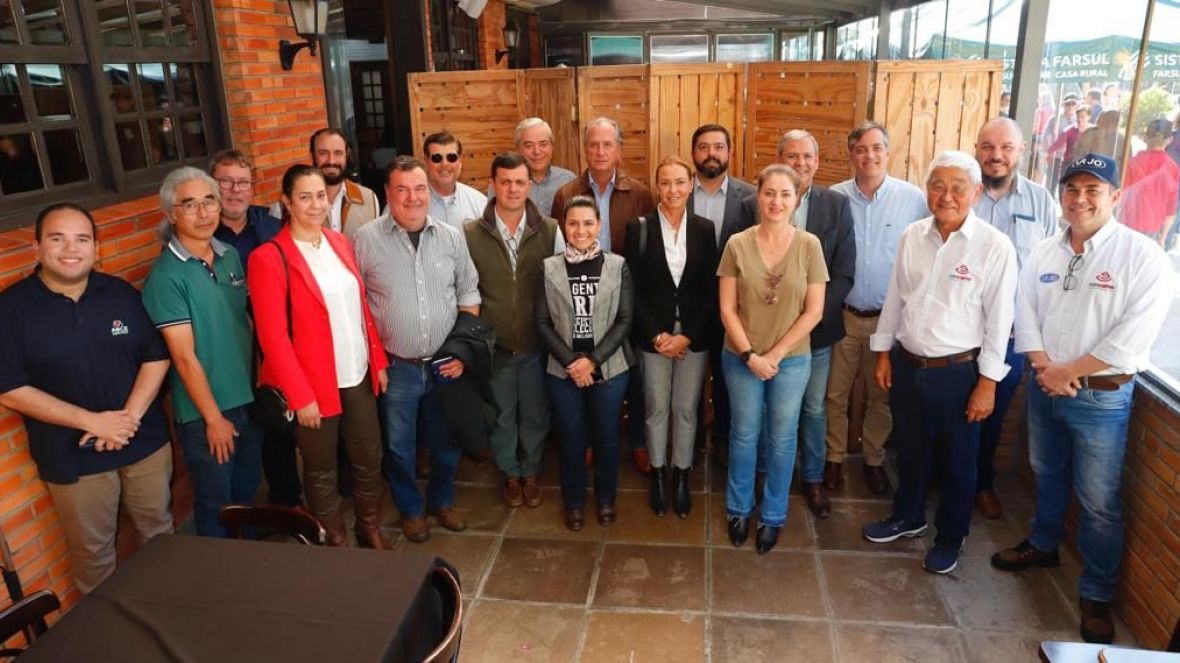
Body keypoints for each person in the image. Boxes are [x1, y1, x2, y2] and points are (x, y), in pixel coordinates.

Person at [991, 153, 1170, 644]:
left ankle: (1095, 593)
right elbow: (1025, 310)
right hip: (1046, 388)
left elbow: (1132, 337)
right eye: (1072, 189)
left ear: (1115, 196)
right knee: (1046, 475)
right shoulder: (1045, 252)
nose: (1081, 199)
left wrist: (1067, 371)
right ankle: (1043, 544)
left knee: (1098, 501)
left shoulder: (1143, 256)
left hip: (1100, 399)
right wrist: (1044, 367)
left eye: (1093, 190)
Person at [0, 203, 173, 593]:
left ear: (96, 247)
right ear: (36, 247)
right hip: (72, 456)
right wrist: (93, 422)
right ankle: (106, 628)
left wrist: (127, 420)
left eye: (81, 239)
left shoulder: (119, 293)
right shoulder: (11, 309)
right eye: (57, 238)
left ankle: (169, 609)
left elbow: (156, 357)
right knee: (94, 555)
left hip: (143, 441)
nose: (70, 249)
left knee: (160, 534)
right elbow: (10, 390)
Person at [861, 150, 1017, 575]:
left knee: (958, 461)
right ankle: (908, 517)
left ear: (976, 193)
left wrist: (987, 383)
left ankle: (951, 535)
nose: (946, 196)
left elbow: (999, 321)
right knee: (910, 450)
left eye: (958, 188)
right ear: (926, 190)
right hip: (908, 364)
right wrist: (883, 353)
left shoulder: (994, 246)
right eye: (937, 186)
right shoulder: (912, 235)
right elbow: (895, 298)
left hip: (959, 373)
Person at [248, 165, 391, 549]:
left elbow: (361, 308)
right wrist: (300, 395)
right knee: (321, 466)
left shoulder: (340, 243)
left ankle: (369, 526)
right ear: (286, 202)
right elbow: (272, 337)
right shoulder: (268, 257)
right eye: (305, 197)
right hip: (312, 383)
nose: (316, 204)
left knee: (369, 456)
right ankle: (335, 538)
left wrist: (377, 361)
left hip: (356, 372)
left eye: (320, 196)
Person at [353, 157, 480, 543]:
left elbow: (469, 294)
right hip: (397, 366)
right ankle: (410, 509)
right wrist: (376, 361)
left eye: (419, 188)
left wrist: (461, 351)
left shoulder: (451, 237)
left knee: (446, 442)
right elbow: (357, 304)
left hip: (445, 363)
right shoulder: (365, 239)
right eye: (402, 189)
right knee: (399, 446)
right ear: (387, 193)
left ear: (429, 192)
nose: (412, 197)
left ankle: (442, 501)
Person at [142, 167, 263, 538]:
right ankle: (220, 570)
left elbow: (243, 321)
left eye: (209, 201)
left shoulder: (229, 256)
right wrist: (213, 418)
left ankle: (249, 558)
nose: (203, 212)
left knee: (246, 490)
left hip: (247, 398)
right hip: (207, 412)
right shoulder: (166, 276)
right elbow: (183, 357)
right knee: (216, 503)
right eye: (189, 204)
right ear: (171, 214)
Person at [718, 163, 828, 555]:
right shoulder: (737, 244)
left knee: (783, 440)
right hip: (741, 357)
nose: (776, 201)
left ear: (796, 199)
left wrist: (775, 355)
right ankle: (738, 509)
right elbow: (727, 309)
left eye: (785, 194)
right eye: (769, 193)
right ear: (758, 197)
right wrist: (750, 354)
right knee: (744, 435)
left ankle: (773, 515)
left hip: (791, 361)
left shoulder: (810, 245)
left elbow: (814, 311)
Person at [827, 122, 929, 495]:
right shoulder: (835, 197)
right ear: (850, 155)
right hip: (844, 316)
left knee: (881, 397)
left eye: (876, 148)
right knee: (834, 395)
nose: (869, 155)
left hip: (889, 321)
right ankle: (833, 458)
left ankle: (873, 460)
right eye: (861, 149)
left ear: (888, 152)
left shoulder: (913, 199)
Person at [551, 117, 655, 472]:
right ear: (585, 149)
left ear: (619, 150)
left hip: (625, 297)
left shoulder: (640, 194)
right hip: (578, 299)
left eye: (607, 144)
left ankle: (637, 440)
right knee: (583, 369)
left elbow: (648, 248)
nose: (599, 151)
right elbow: (558, 250)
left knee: (633, 372)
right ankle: (587, 442)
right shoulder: (566, 194)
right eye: (593, 144)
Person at [972, 117, 1060, 519]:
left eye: (1006, 148)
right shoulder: (962, 192)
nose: (996, 155)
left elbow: (1051, 269)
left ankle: (981, 483)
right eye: (988, 147)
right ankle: (944, 479)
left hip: (1009, 336)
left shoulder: (1040, 202)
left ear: (1021, 150)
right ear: (977, 149)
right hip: (959, 331)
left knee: (992, 412)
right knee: (948, 408)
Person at [465, 152, 561, 508]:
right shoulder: (471, 233)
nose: (512, 189)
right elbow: (467, 290)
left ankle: (530, 471)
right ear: (492, 184)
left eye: (520, 182)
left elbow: (559, 286)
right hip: (496, 346)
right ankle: (509, 472)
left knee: (535, 414)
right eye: (504, 182)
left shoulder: (549, 230)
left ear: (529, 185)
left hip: (537, 344)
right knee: (502, 415)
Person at [624, 156, 717, 518]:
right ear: (656, 186)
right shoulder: (639, 228)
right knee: (656, 407)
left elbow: (711, 291)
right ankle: (659, 474)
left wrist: (687, 336)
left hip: (693, 336)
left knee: (686, 409)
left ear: (691, 184)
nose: (673, 190)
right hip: (654, 338)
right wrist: (657, 335)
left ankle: (681, 474)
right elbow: (631, 289)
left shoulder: (705, 229)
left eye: (680, 182)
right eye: (665, 182)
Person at [208, 149, 301, 508]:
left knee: (277, 422)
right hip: (226, 345)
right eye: (226, 182)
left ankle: (286, 504)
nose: (235, 190)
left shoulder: (271, 226)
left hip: (271, 341)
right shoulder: (201, 231)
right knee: (238, 430)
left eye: (243, 183)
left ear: (253, 187)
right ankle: (237, 513)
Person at [536, 195, 634, 532]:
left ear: (599, 225)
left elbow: (624, 320)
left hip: (609, 367)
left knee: (607, 438)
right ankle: (574, 502)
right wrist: (571, 362)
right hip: (561, 370)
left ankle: (606, 498)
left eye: (588, 223)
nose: (581, 230)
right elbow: (542, 322)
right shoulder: (548, 267)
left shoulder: (618, 265)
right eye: (573, 223)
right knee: (571, 439)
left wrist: (592, 361)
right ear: (564, 226)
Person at [775, 130, 855, 519]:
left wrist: (811, 314)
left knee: (813, 407)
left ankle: (812, 478)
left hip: (817, 332)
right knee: (774, 410)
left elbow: (844, 273)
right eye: (792, 156)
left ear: (817, 162)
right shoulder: (759, 202)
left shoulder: (836, 206)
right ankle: (772, 476)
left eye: (807, 156)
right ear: (779, 161)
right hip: (770, 334)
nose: (800, 163)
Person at [687, 123, 756, 459]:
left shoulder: (751, 197)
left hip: (737, 309)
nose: (711, 153)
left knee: (730, 382)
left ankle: (726, 444)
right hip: (688, 307)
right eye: (703, 147)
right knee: (689, 383)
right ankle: (690, 445)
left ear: (730, 152)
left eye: (718, 147)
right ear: (693, 154)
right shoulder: (678, 191)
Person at [270, 129, 380, 239]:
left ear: (346, 156)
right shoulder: (283, 207)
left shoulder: (369, 199)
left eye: (338, 153)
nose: (331, 161)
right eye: (323, 153)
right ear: (312, 156)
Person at [1120, 118, 1179, 248]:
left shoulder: (1131, 163)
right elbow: (1170, 211)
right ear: (1169, 140)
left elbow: (1120, 198)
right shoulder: (1173, 169)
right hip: (1152, 230)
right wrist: (1162, 238)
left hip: (1127, 225)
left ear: (1145, 137)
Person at [512, 117, 577, 215]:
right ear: (518, 148)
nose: (537, 151)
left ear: (552, 146)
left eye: (543, 144)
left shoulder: (568, 181)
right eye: (529, 146)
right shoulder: (506, 183)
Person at [424, 131, 487, 228]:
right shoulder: (412, 204)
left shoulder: (480, 203)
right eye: (437, 158)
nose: (444, 164)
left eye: (451, 157)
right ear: (426, 161)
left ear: (460, 160)